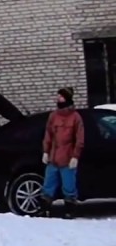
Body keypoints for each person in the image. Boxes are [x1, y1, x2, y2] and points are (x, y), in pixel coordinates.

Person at [41, 86, 84, 218]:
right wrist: (46, 152)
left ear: (67, 98)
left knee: (69, 186)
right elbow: (48, 135)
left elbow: (80, 138)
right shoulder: (53, 116)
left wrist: (75, 156)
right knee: (48, 185)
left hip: (68, 158)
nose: (57, 98)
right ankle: (44, 209)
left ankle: (69, 211)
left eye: (60, 96)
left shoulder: (76, 117)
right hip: (53, 158)